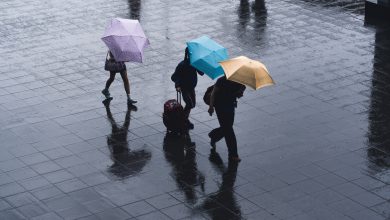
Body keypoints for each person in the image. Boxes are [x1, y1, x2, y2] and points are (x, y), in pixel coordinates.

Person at [208, 76, 246, 162]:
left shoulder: (239, 82)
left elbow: (238, 95)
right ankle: (233, 154)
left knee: (227, 128)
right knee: (229, 130)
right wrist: (211, 107)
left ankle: (213, 135)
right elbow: (213, 93)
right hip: (220, 107)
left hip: (230, 106)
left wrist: (240, 91)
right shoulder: (221, 80)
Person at [171, 47, 204, 129]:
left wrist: (200, 65)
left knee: (192, 104)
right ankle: (183, 120)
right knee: (189, 104)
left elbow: (201, 73)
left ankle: (184, 119)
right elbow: (174, 77)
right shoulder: (182, 65)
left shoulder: (195, 64)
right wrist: (177, 86)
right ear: (188, 55)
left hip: (191, 87)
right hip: (184, 88)